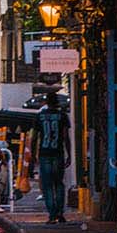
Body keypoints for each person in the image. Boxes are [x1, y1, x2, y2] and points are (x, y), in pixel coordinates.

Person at [35, 90, 71, 225]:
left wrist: (33, 154)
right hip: (58, 152)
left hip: (44, 153)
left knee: (48, 185)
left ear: (46, 102)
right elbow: (65, 137)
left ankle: (52, 214)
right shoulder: (62, 116)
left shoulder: (40, 116)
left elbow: (34, 137)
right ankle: (60, 212)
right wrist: (69, 154)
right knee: (59, 183)